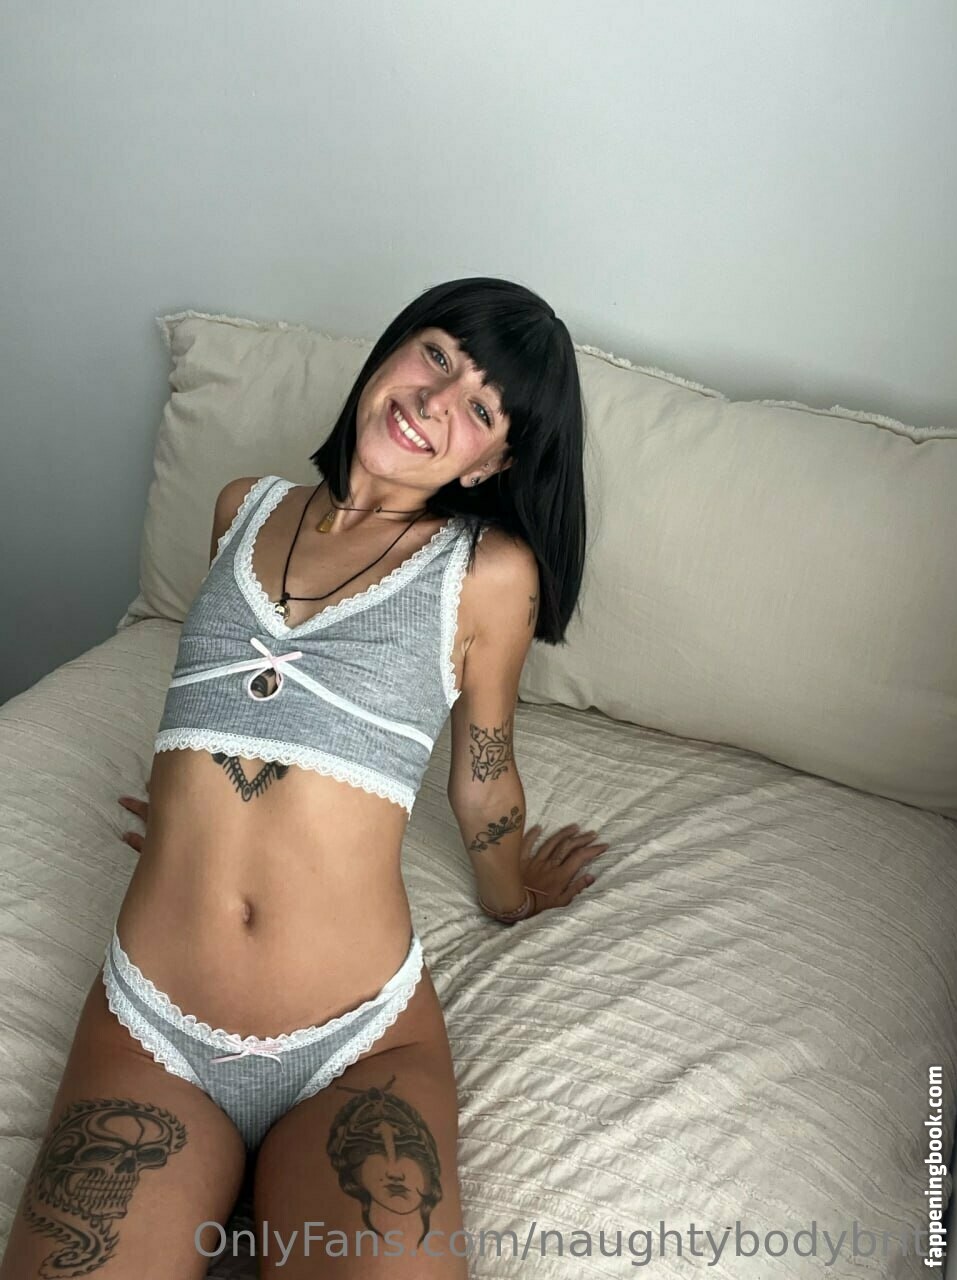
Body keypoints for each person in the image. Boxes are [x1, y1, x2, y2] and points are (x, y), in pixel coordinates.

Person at [0, 276, 609, 1279]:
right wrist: (190, 810)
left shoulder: (486, 572)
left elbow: (484, 771)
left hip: (357, 1048)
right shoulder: (242, 507)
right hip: (149, 1025)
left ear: (495, 461)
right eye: (437, 355)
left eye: (481, 408)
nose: (435, 400)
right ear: (392, 349)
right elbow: (228, 697)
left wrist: (512, 894)